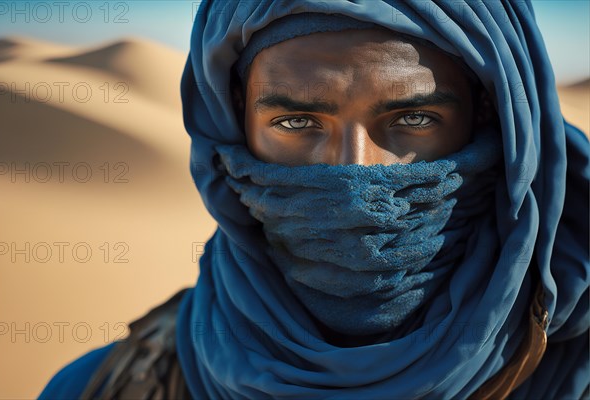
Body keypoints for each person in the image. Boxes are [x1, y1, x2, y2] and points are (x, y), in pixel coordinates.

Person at [39, 1, 589, 399]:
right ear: (232, 127)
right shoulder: (108, 385)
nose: (353, 173)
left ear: (491, 119)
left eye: (415, 119)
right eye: (296, 121)